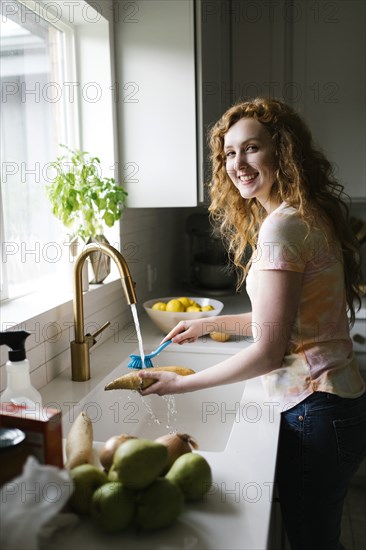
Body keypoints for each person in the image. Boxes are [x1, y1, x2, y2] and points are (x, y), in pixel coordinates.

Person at [139, 97, 366, 550]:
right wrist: (205, 327)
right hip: (335, 407)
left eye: (251, 149)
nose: (237, 164)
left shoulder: (282, 227)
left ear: (282, 152)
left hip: (315, 410)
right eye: (228, 153)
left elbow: (268, 350)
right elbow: (284, 325)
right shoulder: (302, 215)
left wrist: (178, 383)